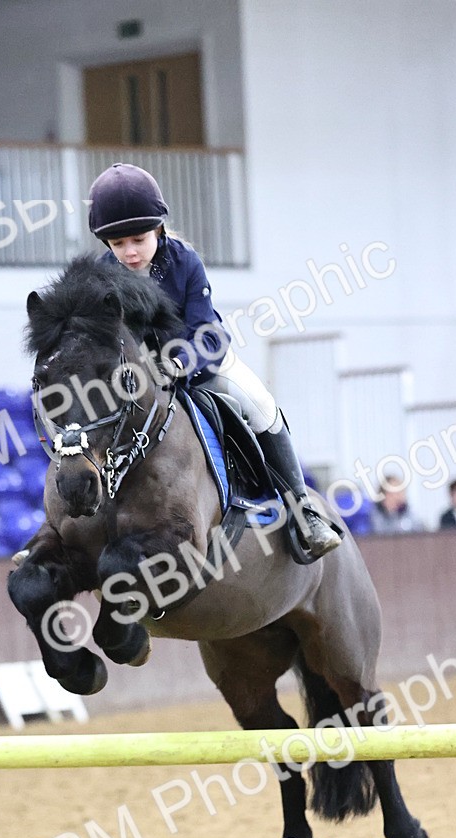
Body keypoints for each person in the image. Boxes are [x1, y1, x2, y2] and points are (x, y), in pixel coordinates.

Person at [87, 162, 340, 560]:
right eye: (118, 245)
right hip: (137, 381)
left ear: (158, 230)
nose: (129, 252)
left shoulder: (185, 262)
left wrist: (175, 364)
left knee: (259, 403)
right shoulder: (101, 276)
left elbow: (207, 333)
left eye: (137, 239)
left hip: (199, 361)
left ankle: (302, 509)